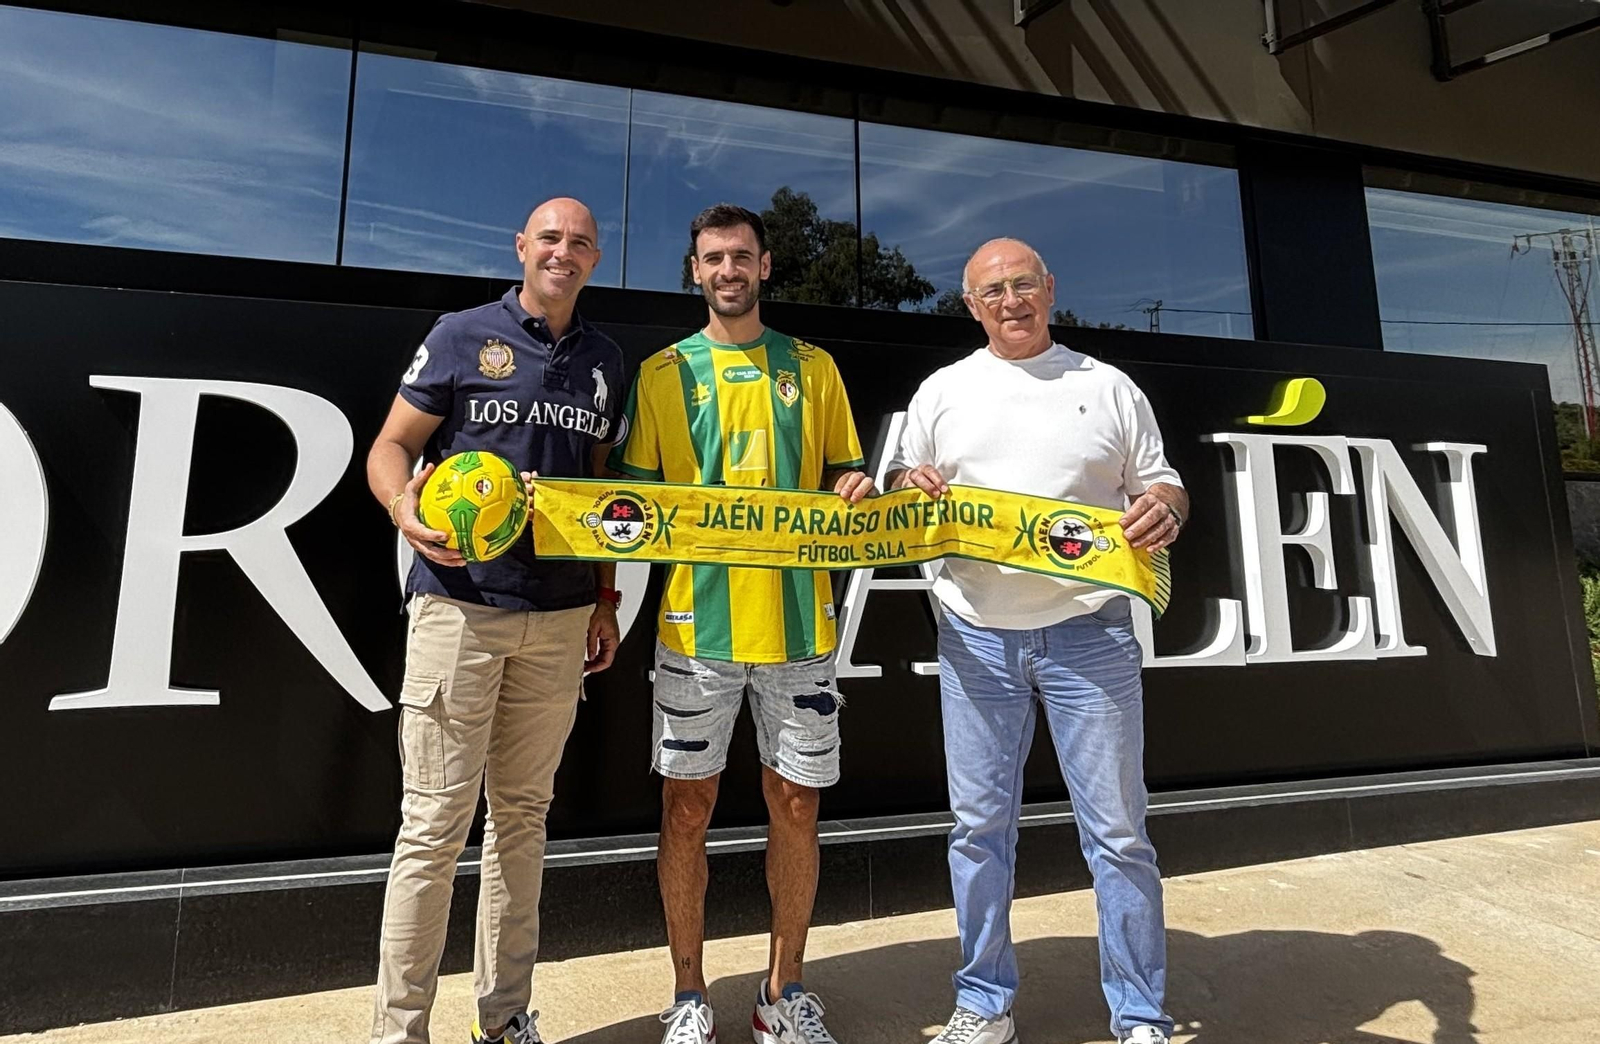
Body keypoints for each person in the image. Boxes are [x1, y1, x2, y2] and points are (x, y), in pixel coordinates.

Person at [886, 238, 1187, 1044]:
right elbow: (902, 489)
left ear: (1050, 288)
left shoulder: (1107, 385)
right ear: (970, 305)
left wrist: (1166, 508)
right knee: (978, 831)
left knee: (1119, 835)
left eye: (1023, 284)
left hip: (1091, 630)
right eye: (993, 291)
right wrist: (907, 487)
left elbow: (1162, 484)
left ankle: (1141, 1016)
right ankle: (984, 1003)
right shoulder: (942, 391)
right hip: (976, 639)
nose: (1011, 300)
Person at [606, 203, 874, 1044]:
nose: (728, 270)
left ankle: (781, 992)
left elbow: (849, 474)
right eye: (713, 258)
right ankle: (689, 995)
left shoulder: (813, 367)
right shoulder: (662, 375)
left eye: (742, 257)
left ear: (765, 267)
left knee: (796, 806)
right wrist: (606, 599)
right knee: (687, 809)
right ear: (694, 270)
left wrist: (855, 490)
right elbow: (629, 507)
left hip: (800, 630)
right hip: (696, 630)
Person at [365, 197, 625, 1044]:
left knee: (521, 822)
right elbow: (391, 446)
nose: (564, 251)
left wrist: (605, 598)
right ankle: (399, 1032)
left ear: (593, 259)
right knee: (433, 826)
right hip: (460, 613)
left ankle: (506, 1018)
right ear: (522, 247)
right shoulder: (459, 333)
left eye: (580, 242)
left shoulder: (606, 359)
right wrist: (404, 507)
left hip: (556, 620)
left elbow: (596, 492)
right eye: (550, 237)